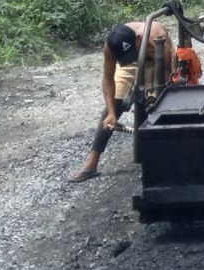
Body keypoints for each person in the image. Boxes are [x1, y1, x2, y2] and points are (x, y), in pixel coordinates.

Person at [68, 19, 173, 183]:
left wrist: (154, 95)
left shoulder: (156, 37)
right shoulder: (112, 46)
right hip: (132, 55)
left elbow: (167, 78)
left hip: (154, 57)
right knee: (113, 105)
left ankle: (161, 158)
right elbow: (108, 80)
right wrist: (111, 112)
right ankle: (91, 164)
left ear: (138, 39)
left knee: (156, 102)